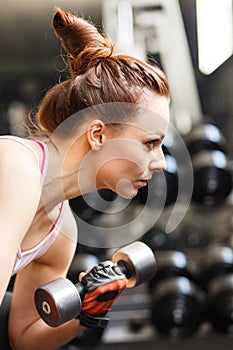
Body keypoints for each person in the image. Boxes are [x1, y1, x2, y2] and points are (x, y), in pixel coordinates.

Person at [0, 7, 170, 350]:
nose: (161, 163)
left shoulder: (61, 232)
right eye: (150, 143)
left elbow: (24, 338)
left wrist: (88, 310)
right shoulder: (16, 165)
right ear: (98, 134)